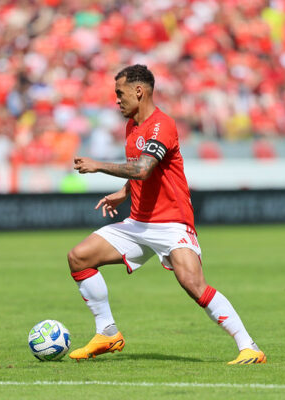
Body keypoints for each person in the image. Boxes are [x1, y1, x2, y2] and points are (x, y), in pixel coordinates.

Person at [69, 64, 265, 365]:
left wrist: (99, 165)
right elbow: (140, 169)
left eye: (120, 94)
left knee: (193, 284)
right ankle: (107, 332)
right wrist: (125, 190)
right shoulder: (131, 125)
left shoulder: (163, 125)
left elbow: (144, 169)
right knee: (79, 258)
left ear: (139, 91)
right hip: (138, 223)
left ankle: (249, 346)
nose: (117, 100)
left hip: (172, 223)